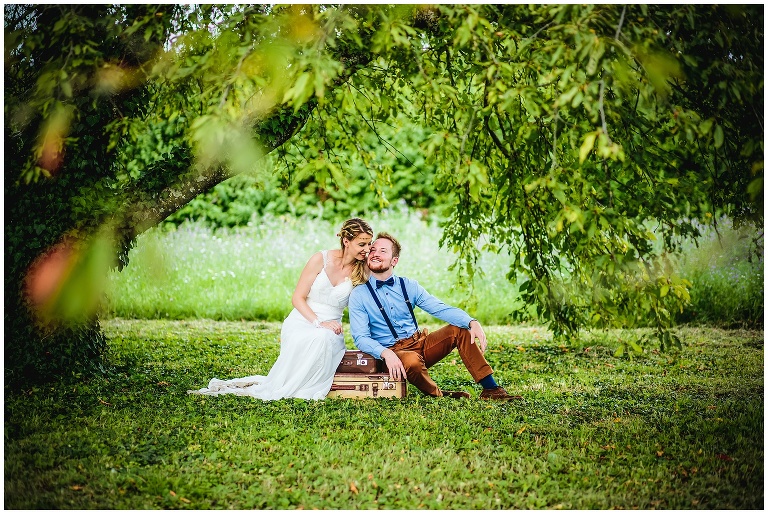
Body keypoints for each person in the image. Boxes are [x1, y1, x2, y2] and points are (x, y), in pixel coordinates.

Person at [188, 218, 374, 400]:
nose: (367, 250)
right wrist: (318, 322)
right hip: (304, 320)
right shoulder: (321, 259)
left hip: (333, 326)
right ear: (346, 241)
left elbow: (371, 298)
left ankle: (302, 385)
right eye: (362, 244)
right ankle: (287, 385)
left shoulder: (363, 269)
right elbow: (297, 298)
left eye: (369, 244)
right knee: (319, 335)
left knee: (324, 338)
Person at [348, 232, 522, 400]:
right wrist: (385, 353)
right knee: (411, 361)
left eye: (382, 251)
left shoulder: (408, 285)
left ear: (394, 260)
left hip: (420, 343)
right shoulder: (359, 295)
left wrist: (471, 321)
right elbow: (361, 337)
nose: (375, 254)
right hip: (394, 354)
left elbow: (440, 309)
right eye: (373, 250)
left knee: (458, 330)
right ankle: (438, 394)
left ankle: (491, 389)